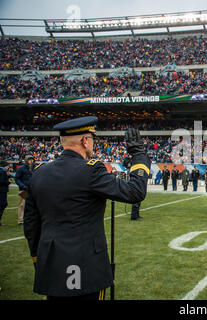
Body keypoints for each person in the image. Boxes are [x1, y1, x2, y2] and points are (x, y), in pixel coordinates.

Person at [23, 116, 150, 300]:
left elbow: (31, 225)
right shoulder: (91, 170)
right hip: (86, 265)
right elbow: (135, 192)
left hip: (52, 265)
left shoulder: (39, 173)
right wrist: (138, 154)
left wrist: (38, 259)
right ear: (85, 141)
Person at [15, 155, 35, 225]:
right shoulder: (21, 169)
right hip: (24, 189)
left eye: (32, 160)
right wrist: (22, 185)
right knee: (22, 205)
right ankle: (20, 220)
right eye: (30, 160)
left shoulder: (34, 168)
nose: (31, 161)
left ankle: (30, 219)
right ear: (26, 160)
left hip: (32, 189)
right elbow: (17, 179)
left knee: (31, 205)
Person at [0, 160, 11, 226]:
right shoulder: (3, 172)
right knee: (2, 205)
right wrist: (8, 181)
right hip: (2, 191)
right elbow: (2, 181)